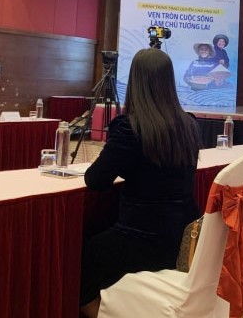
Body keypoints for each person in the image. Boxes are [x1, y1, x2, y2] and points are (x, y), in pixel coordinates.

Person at [79, 48, 201, 317]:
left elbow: (96, 180)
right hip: (182, 238)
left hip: (141, 239)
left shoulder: (129, 128)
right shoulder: (190, 124)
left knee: (79, 263)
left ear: (135, 83)